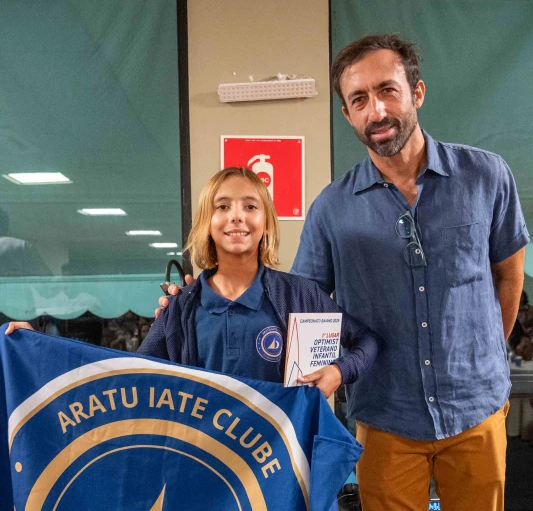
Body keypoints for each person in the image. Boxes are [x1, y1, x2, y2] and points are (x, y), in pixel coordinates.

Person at [159, 35, 528, 511]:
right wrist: (194, 300)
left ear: (416, 93)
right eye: (358, 100)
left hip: (475, 407)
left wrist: (487, 352)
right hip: (384, 413)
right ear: (347, 114)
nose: (375, 109)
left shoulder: (485, 176)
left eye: (386, 91)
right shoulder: (333, 206)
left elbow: (508, 273)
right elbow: (302, 307)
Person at [7, 167, 381, 402]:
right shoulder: (182, 307)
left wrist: (339, 372)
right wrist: (40, 347)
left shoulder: (299, 295)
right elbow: (126, 372)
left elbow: (366, 341)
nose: (237, 216)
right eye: (223, 206)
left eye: (251, 206)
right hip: (204, 465)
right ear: (206, 223)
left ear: (266, 223)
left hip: (280, 468)